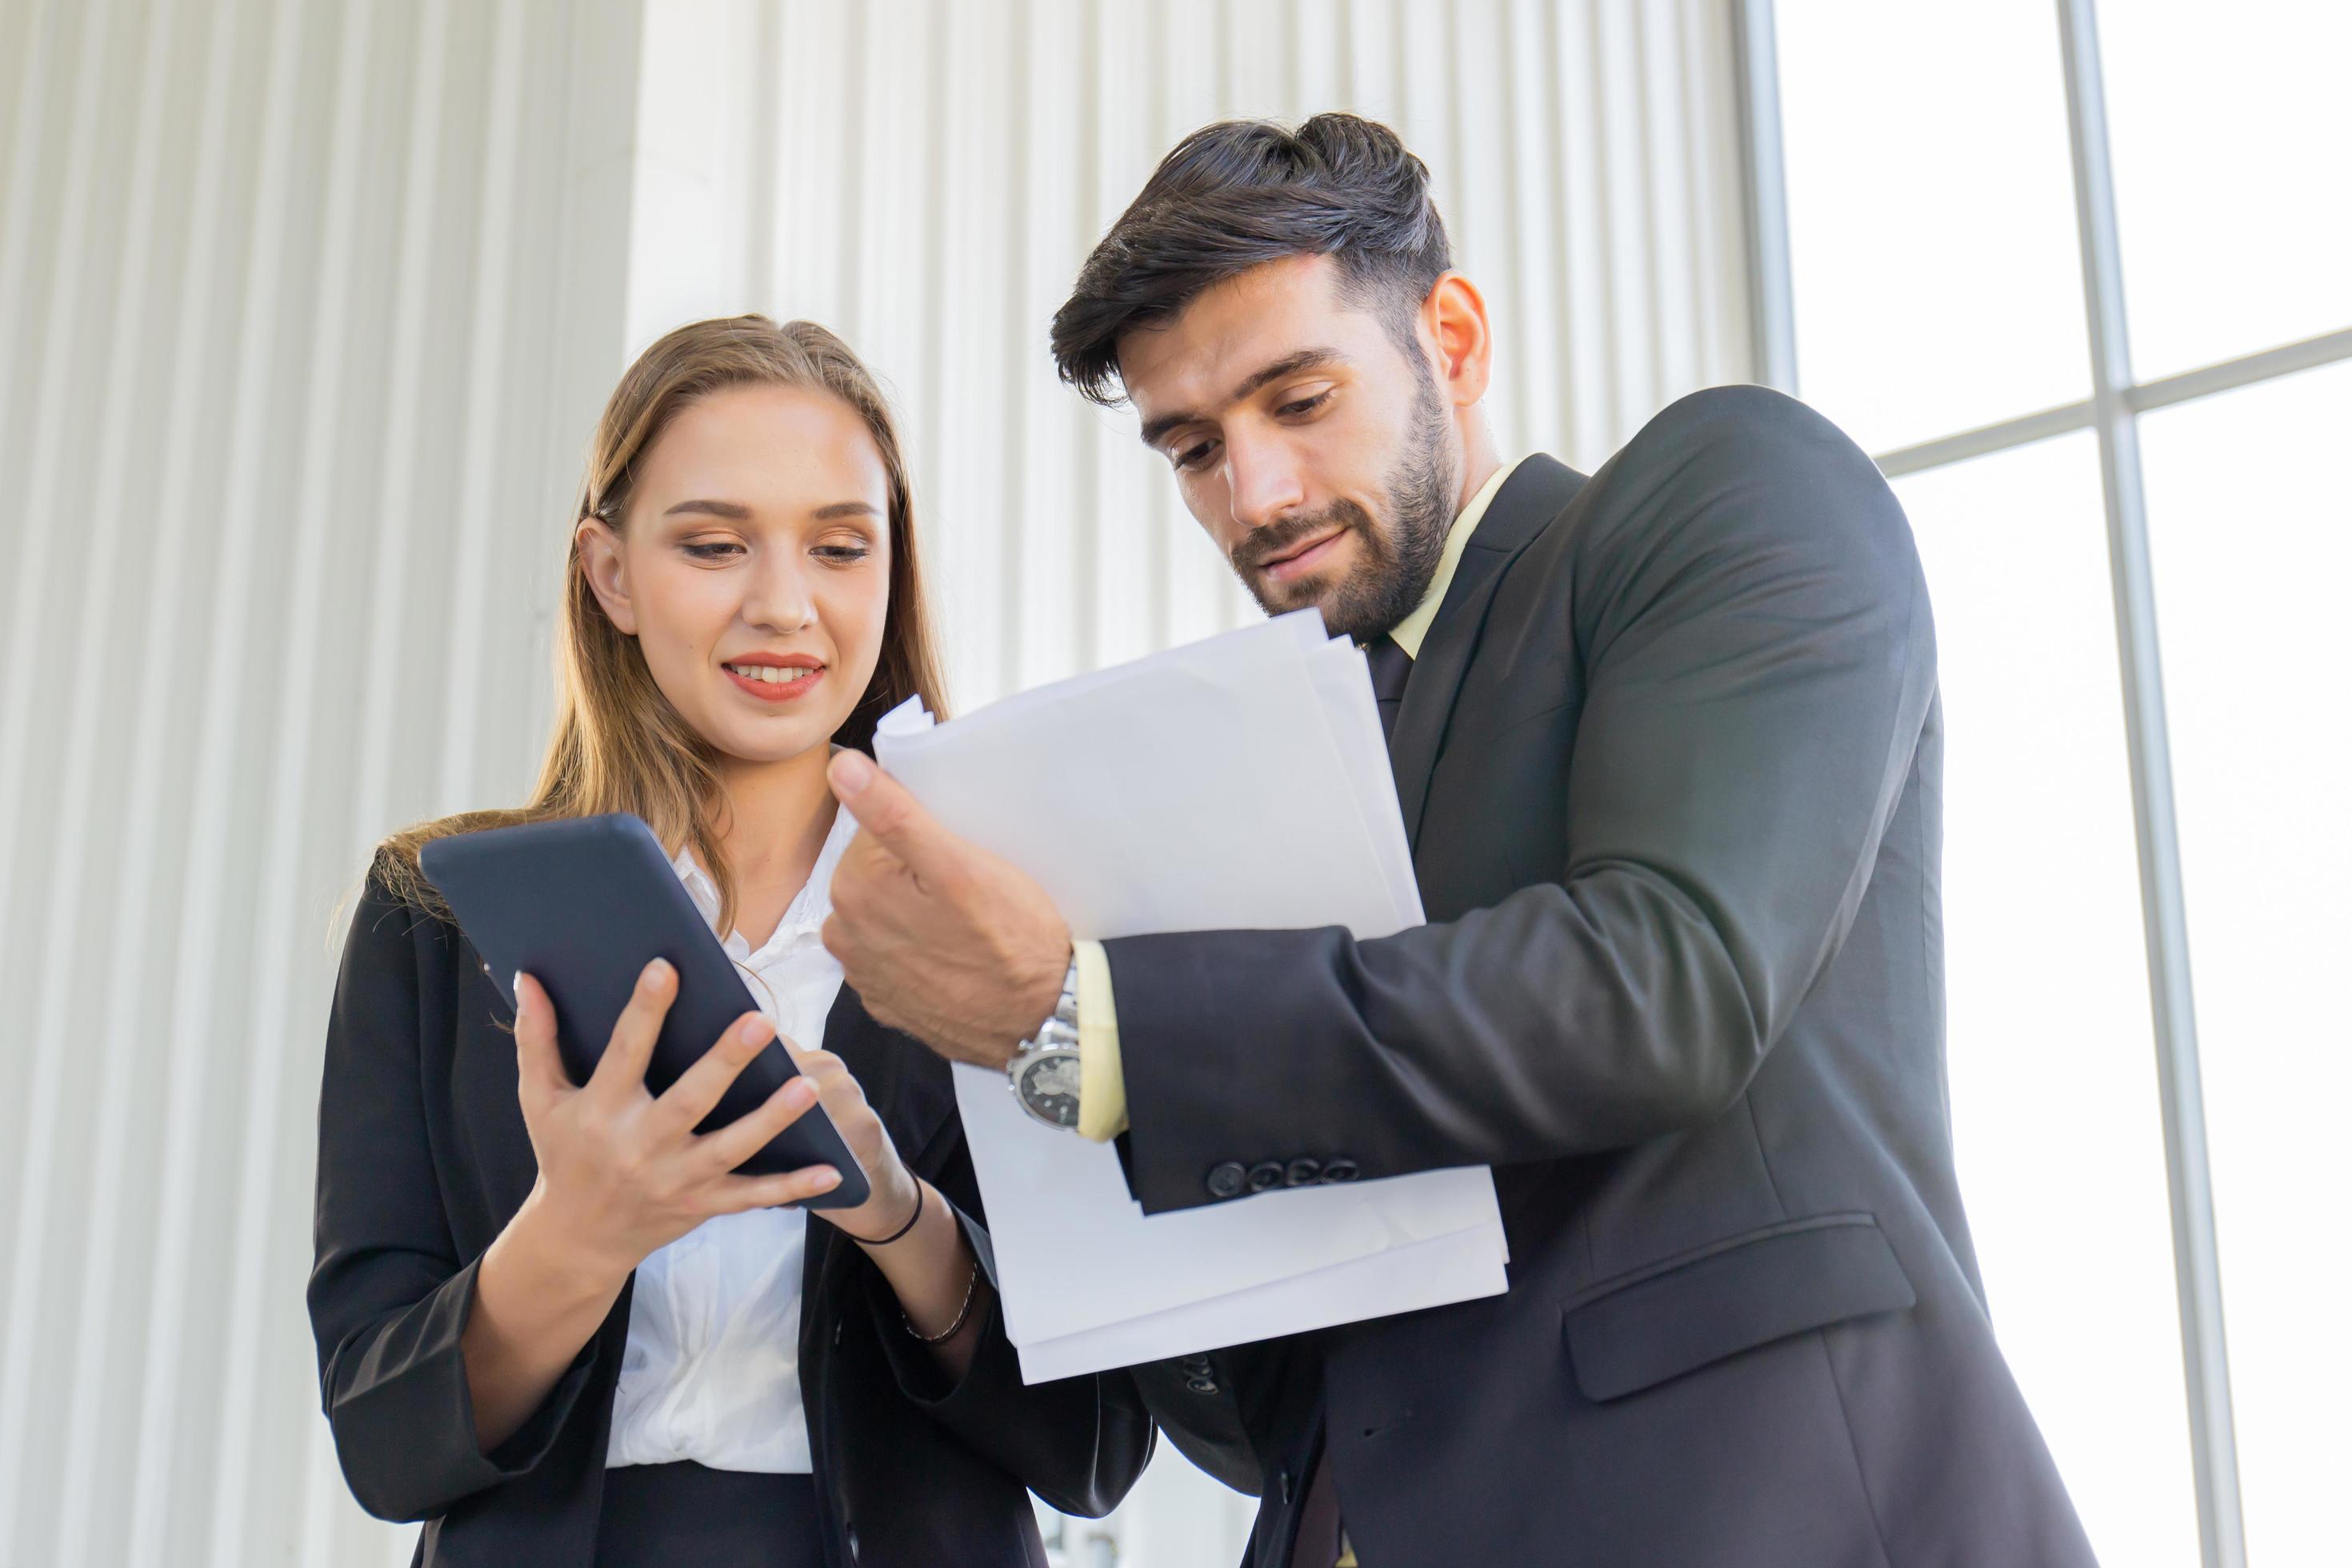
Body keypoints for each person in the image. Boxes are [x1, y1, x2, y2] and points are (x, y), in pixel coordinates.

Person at [819, 116, 2098, 1566]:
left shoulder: (1721, 494)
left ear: (1455, 333)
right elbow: (1262, 1409)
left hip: (1755, 1506)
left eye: (1298, 398)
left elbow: (1667, 983)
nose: (1259, 496)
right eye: (1194, 450)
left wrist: (1087, 1014)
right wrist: (1034, 1123)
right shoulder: (1263, 757)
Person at [308, 315, 1151, 1567]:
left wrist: (902, 1220)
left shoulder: (1010, 917)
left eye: (839, 547)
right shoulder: (436, 916)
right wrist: (576, 1235)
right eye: (712, 544)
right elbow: (383, 1442)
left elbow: (1097, 1440)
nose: (784, 605)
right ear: (610, 575)